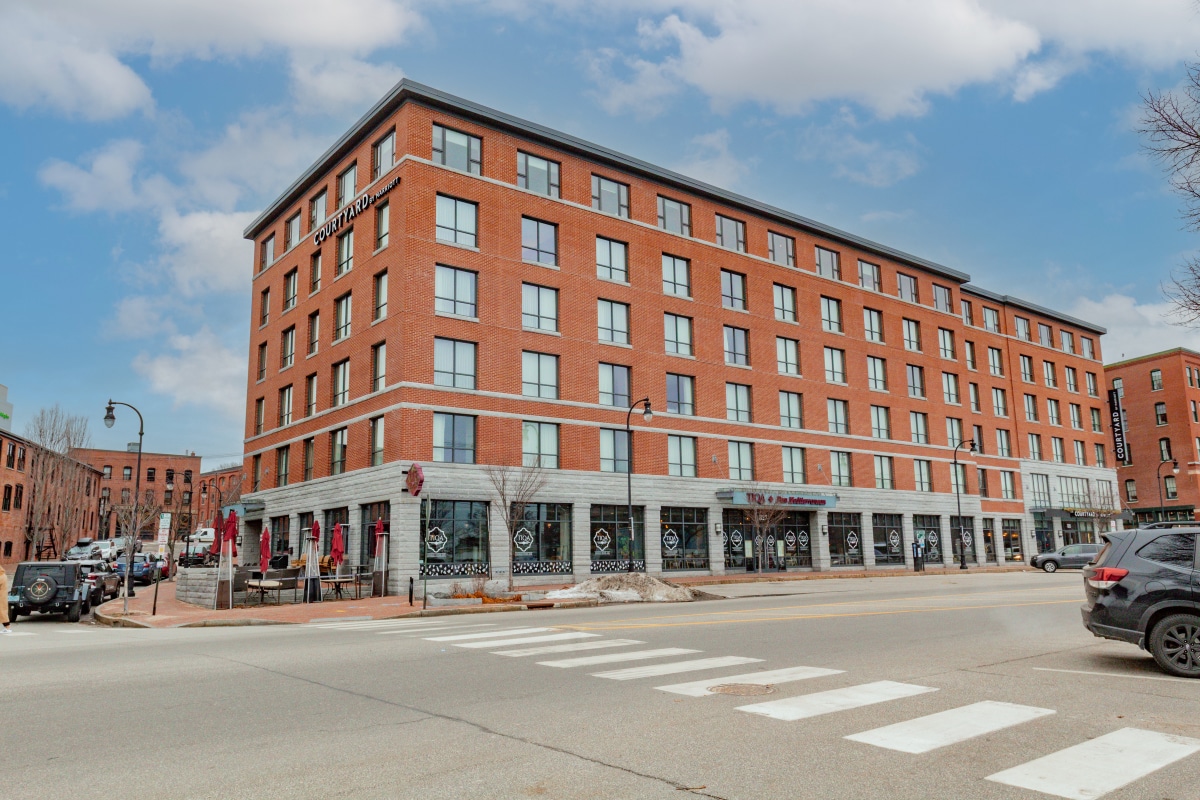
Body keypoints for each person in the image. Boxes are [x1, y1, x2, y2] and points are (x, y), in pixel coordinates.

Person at [0, 563, 11, 634]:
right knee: (2, 611)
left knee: (2, 611)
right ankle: (7, 628)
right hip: (2, 596)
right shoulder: (3, 575)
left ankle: (7, 628)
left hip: (1, 596)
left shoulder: (1, 577)